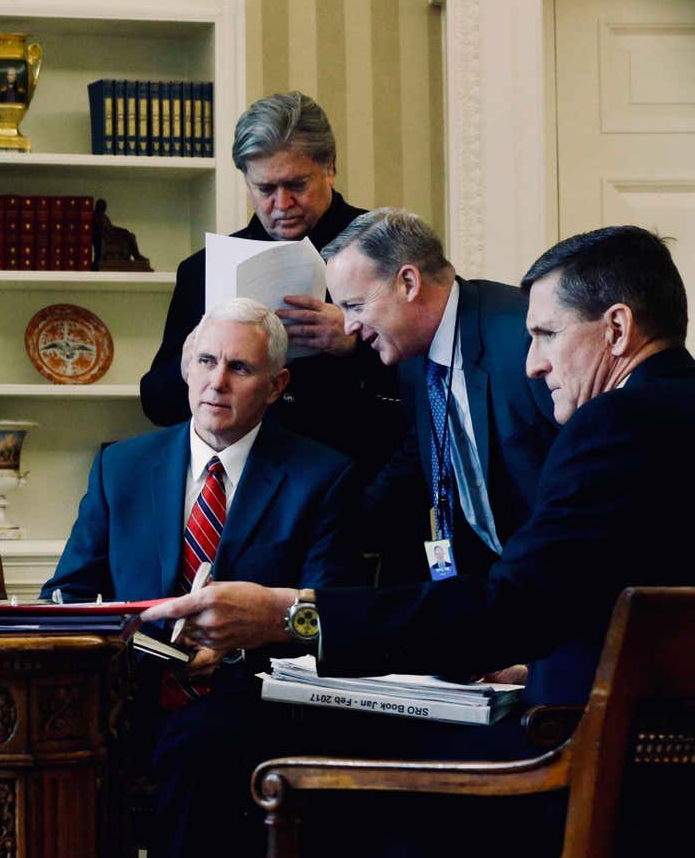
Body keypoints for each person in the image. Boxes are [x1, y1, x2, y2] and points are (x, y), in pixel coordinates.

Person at [145, 225, 695, 856]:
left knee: (247, 749)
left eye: (545, 334)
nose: (533, 361)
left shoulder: (614, 424)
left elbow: (513, 601)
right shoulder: (668, 409)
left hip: (577, 754)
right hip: (621, 731)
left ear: (618, 329)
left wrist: (289, 614)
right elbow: (588, 588)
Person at [43, 297, 365, 858]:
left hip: (254, 698)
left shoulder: (323, 476)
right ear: (186, 367)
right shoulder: (121, 466)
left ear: (275, 384)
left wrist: (241, 643)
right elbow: (67, 592)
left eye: (239, 368)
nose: (217, 381)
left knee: (198, 744)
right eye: (207, 361)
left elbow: (327, 616)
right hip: (129, 690)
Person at [140, 92, 402, 484]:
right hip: (243, 492)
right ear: (246, 179)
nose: (282, 204)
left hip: (363, 481)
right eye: (264, 189)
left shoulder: (390, 247)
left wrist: (355, 345)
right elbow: (157, 404)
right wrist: (192, 364)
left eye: (296, 185)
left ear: (329, 167)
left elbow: (443, 378)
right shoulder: (202, 270)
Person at [325, 208, 557, 579]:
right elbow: (423, 452)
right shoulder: (412, 353)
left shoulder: (523, 336)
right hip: (493, 583)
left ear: (408, 283)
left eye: (354, 305)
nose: (349, 326)